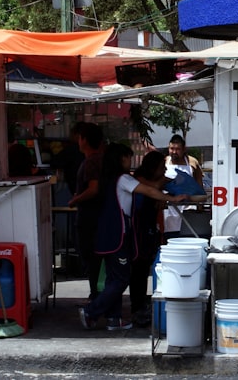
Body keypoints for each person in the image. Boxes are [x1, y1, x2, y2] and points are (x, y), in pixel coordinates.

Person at [79, 143, 188, 331]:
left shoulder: (107, 179)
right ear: (121, 159)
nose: (130, 161)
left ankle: (114, 319)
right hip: (117, 236)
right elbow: (149, 190)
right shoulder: (123, 179)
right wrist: (173, 199)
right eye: (129, 157)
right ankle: (91, 311)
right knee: (121, 279)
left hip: (105, 235)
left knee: (114, 279)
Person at [128, 150, 169, 326]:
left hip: (149, 229)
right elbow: (152, 188)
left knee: (144, 269)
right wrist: (165, 182)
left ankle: (141, 306)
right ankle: (137, 308)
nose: (165, 170)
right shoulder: (138, 178)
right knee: (138, 271)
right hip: (138, 231)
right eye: (162, 167)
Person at [67, 122, 105, 301]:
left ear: (85, 140)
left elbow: (93, 188)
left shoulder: (91, 162)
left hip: (90, 217)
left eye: (80, 137)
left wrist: (75, 199)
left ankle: (95, 295)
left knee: (91, 257)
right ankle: (97, 293)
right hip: (98, 216)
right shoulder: (101, 159)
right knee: (95, 257)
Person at [162, 134, 205, 240]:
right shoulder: (164, 162)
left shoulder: (192, 163)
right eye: (172, 148)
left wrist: (200, 208)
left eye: (177, 149)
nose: (174, 152)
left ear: (184, 149)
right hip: (169, 210)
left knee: (187, 237)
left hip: (188, 208)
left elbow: (199, 187)